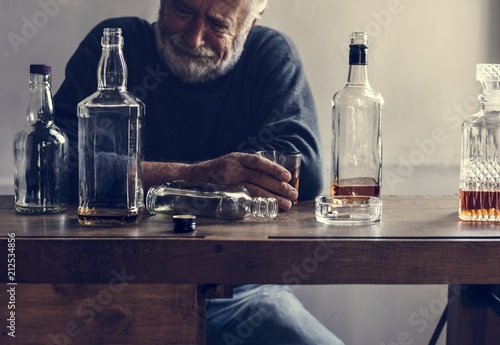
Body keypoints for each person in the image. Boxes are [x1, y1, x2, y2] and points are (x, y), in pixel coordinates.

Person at [54, 0, 343, 344]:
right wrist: (200, 176)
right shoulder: (115, 43)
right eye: (183, 11)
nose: (193, 39)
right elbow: (59, 163)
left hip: (240, 294)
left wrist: (136, 177)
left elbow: (303, 171)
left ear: (250, 23)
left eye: (218, 24)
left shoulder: (269, 54)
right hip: (113, 292)